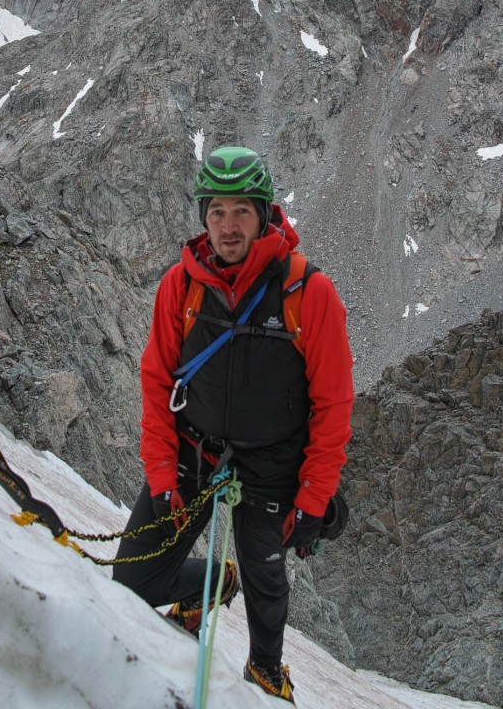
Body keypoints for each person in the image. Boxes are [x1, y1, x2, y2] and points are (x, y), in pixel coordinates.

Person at [113, 146, 354, 703]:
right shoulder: (181, 285)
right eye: (217, 212)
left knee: (267, 576)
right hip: (193, 451)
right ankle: (213, 582)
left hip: (273, 461)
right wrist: (161, 477)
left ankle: (267, 670)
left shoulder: (307, 292)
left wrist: (315, 498)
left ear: (264, 215)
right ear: (204, 217)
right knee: (133, 581)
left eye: (241, 211)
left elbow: (334, 403)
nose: (228, 226)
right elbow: (156, 384)